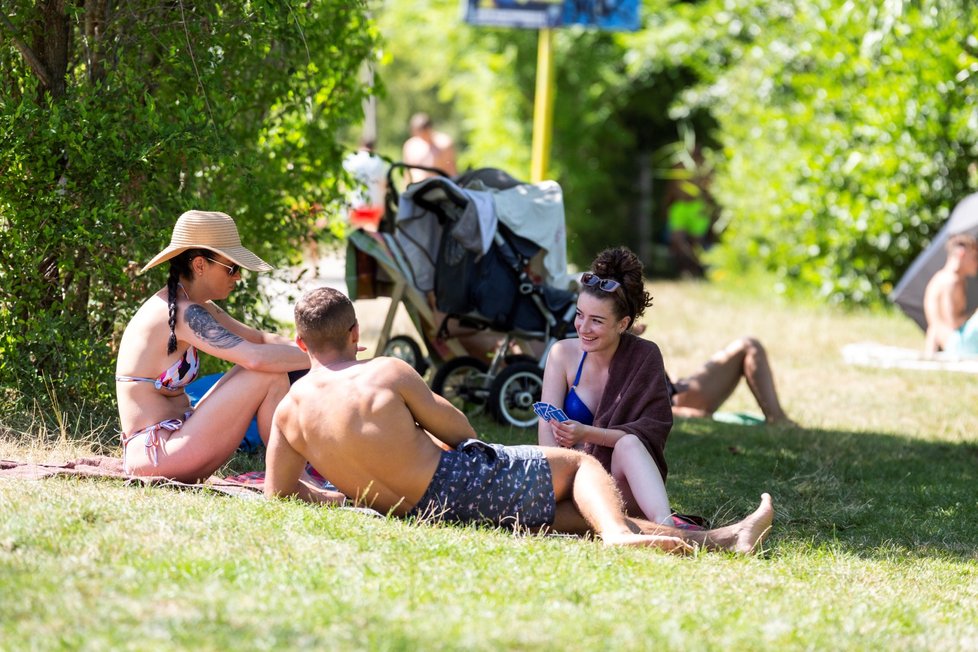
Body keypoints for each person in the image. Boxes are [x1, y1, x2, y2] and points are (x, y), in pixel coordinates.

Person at [264, 287, 774, 554]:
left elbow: (280, 492)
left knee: (581, 517)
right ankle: (622, 537)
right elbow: (459, 431)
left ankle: (727, 540)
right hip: (456, 486)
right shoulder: (385, 372)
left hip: (414, 511)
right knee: (576, 469)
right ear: (355, 333)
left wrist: (348, 491)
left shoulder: (289, 411)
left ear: (302, 342)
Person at [115, 210, 311, 482]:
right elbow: (254, 357)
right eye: (232, 267)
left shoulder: (195, 307)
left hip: (176, 440)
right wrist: (321, 357)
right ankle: (295, 481)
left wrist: (321, 345)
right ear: (199, 265)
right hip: (156, 455)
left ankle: (295, 477)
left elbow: (260, 339)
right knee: (263, 372)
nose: (238, 277)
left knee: (262, 369)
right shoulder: (182, 313)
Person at [669, 337, 794, 425]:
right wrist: (679, 412)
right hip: (671, 401)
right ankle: (779, 422)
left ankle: (779, 420)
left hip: (674, 391)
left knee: (750, 346)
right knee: (750, 345)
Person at [923, 233, 978, 356]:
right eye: (974, 257)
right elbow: (952, 322)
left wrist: (929, 352)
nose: (977, 263)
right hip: (957, 345)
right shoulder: (952, 281)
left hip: (949, 344)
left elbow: (934, 325)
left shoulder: (939, 278)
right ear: (961, 254)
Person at [402, 112, 457, 184]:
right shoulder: (410, 146)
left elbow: (451, 169)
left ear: (429, 128)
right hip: (416, 189)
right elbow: (407, 173)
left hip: (440, 188)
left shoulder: (443, 143)